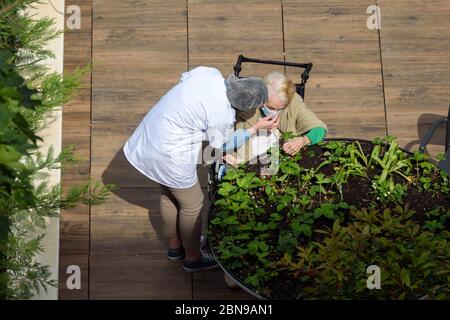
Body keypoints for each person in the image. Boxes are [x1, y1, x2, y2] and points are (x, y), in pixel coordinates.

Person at [123, 66, 278, 272]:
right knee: (193, 204)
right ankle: (193, 258)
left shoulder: (209, 74)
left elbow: (184, 79)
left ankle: (175, 247)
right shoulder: (221, 114)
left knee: (168, 195)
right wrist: (255, 128)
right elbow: (222, 145)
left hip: (150, 137)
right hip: (171, 155)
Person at [227, 71, 327, 164]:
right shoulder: (247, 100)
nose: (274, 112)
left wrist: (303, 140)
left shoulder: (294, 102)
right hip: (248, 155)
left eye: (279, 109)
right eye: (270, 107)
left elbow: (319, 129)